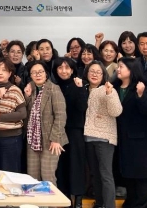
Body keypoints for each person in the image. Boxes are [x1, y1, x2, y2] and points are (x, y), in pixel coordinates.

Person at [114, 58, 147, 208]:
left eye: (121, 67)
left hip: (140, 140)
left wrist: (140, 95)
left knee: (142, 176)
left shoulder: (141, 87)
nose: (118, 70)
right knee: (128, 177)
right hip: (121, 139)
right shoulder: (114, 87)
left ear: (131, 69)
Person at [83, 61, 122, 208]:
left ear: (103, 75)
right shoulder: (83, 89)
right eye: (92, 71)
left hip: (104, 138)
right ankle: (99, 204)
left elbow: (116, 111)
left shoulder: (107, 89)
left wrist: (109, 94)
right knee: (95, 174)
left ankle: (109, 205)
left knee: (106, 174)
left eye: (98, 72)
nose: (94, 74)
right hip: (88, 137)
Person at [24, 61, 67, 183]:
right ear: (30, 75)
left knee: (48, 176)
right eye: (34, 72)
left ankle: (51, 197)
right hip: (33, 139)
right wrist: (27, 96)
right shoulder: (30, 89)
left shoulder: (54, 89)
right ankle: (36, 197)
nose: (38, 75)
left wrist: (56, 139)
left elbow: (61, 115)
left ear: (46, 73)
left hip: (50, 140)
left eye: (40, 72)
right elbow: (26, 114)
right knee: (32, 177)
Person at [53, 57, 88, 207]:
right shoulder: (53, 86)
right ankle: (64, 199)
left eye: (67, 68)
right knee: (61, 166)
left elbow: (82, 107)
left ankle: (78, 199)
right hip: (58, 132)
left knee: (76, 165)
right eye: (60, 68)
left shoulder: (78, 84)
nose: (64, 71)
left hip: (75, 131)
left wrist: (80, 89)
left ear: (72, 70)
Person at [0, 58, 26, 173]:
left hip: (11, 138)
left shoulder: (15, 90)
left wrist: (0, 117)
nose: (0, 72)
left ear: (10, 73)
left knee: (10, 172)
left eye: (4, 70)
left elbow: (22, 113)